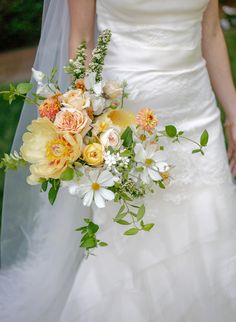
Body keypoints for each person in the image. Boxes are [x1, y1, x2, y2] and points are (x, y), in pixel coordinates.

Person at [0, 0, 236, 321]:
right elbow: (81, 37)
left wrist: (233, 113)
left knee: (209, 224)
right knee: (133, 241)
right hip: (123, 125)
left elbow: (209, 31)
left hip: (198, 116)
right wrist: (84, 116)